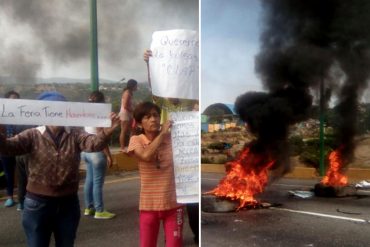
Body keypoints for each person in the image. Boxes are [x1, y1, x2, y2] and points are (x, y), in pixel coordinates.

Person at [0, 91, 121, 247]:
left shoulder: (75, 135)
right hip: (37, 205)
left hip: (68, 204)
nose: (56, 114)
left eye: (61, 109)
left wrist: (108, 131)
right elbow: (8, 147)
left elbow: (94, 144)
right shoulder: (32, 135)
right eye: (51, 109)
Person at [144, 49, 200, 244]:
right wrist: (148, 64)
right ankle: (171, 230)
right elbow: (154, 84)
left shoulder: (190, 99)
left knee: (191, 196)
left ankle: (197, 234)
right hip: (167, 149)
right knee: (168, 192)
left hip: (186, 152)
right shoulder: (161, 99)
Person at [128, 102, 184, 247]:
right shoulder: (136, 140)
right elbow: (146, 155)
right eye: (147, 117)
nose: (153, 119)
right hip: (148, 206)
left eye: (155, 115)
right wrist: (162, 135)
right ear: (140, 123)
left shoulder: (173, 138)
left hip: (174, 205)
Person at [82, 91, 115, 219]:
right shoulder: (99, 114)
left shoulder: (85, 113)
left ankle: (88, 208)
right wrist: (108, 156)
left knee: (88, 181)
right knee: (97, 183)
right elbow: (101, 137)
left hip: (85, 151)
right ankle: (99, 210)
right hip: (97, 152)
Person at [0, 90, 21, 207]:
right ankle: (10, 197)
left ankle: (22, 198)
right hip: (6, 147)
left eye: (17, 99)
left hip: (20, 146)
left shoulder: (24, 113)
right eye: (12, 99)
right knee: (8, 173)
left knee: (22, 174)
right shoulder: (1, 113)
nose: (15, 102)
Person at [119, 79, 138, 152]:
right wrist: (133, 110)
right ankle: (122, 147)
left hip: (128, 114)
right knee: (124, 131)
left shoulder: (129, 93)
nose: (137, 87)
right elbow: (125, 106)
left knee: (133, 130)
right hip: (125, 114)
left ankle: (131, 145)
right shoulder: (127, 93)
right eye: (136, 86)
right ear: (132, 86)